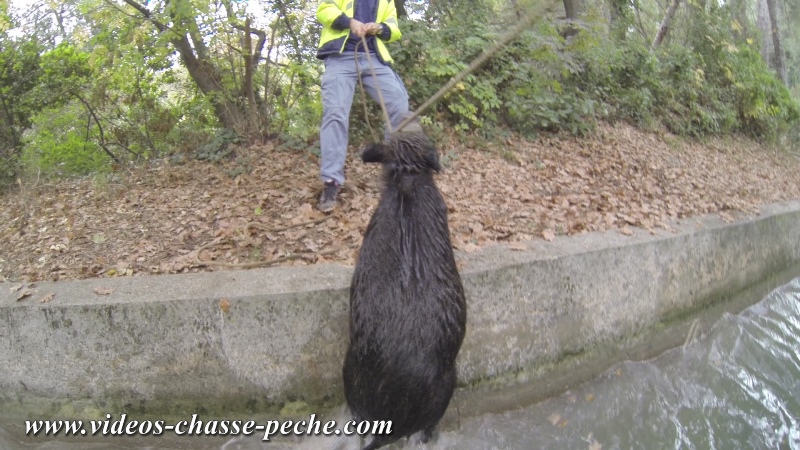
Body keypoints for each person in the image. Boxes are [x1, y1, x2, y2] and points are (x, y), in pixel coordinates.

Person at [315, 0, 410, 212]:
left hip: (374, 57)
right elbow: (323, 10)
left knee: (399, 103)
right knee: (335, 113)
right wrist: (349, 22)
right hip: (340, 58)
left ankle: (394, 173)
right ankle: (331, 182)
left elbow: (394, 29)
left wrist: (381, 28)